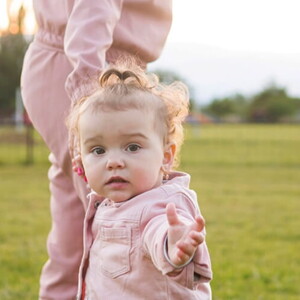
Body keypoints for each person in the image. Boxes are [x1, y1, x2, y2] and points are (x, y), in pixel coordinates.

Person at [20, 1, 172, 299]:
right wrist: (88, 92)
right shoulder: (89, 78)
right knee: (118, 214)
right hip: (88, 65)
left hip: (85, 63)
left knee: (77, 220)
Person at [67, 61, 213, 299]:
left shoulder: (165, 205)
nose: (113, 162)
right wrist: (86, 170)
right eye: (98, 150)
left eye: (132, 147)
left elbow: (158, 229)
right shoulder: (115, 198)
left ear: (166, 157)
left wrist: (172, 244)